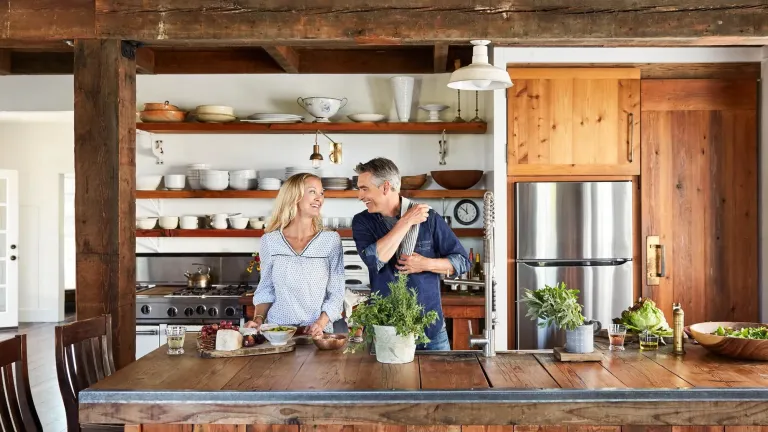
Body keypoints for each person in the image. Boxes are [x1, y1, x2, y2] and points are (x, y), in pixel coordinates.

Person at [351, 158, 470, 350]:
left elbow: (462, 262)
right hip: (385, 329)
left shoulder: (428, 218)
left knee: (439, 380)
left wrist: (426, 264)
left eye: (364, 188)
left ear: (385, 187)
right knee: (385, 381)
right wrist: (405, 222)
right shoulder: (362, 222)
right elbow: (374, 260)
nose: (359, 196)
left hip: (429, 330)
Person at [244, 173, 345, 337]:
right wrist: (258, 319)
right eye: (312, 192)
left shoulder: (330, 240)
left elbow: (337, 293)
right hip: (277, 333)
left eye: (322, 193)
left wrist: (320, 323)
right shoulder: (270, 241)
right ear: (294, 196)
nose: (319, 198)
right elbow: (266, 289)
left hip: (316, 334)